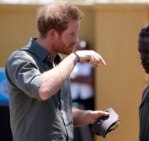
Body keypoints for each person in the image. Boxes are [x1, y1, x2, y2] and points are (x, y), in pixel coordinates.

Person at [5, 1, 109, 141]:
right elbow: (43, 89)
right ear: (53, 33)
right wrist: (75, 57)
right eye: (72, 34)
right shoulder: (20, 59)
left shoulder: (60, 63)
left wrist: (88, 116)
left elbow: (60, 113)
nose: (76, 40)